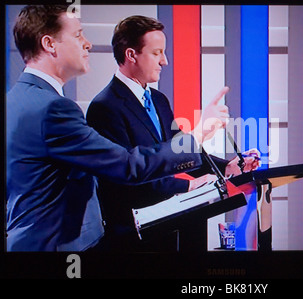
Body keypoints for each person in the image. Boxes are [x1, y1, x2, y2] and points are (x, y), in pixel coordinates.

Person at [6, 5, 226, 251]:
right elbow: (127, 166)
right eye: (78, 35)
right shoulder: (56, 109)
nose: (87, 43)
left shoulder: (15, 100)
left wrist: (224, 167)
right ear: (49, 43)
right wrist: (197, 135)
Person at [86, 15, 260, 251]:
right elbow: (125, 177)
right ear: (131, 55)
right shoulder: (104, 107)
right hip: (132, 238)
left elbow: (178, 148)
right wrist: (188, 187)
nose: (164, 61)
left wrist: (227, 167)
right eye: (157, 53)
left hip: (170, 228)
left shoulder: (158, 100)